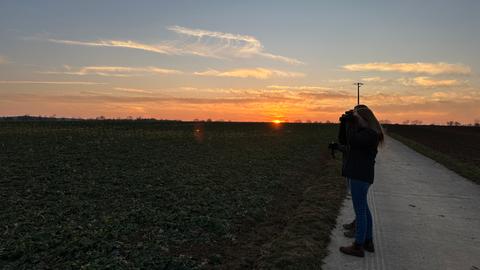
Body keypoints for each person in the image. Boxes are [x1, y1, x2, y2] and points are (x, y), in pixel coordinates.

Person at [332, 104, 384, 257]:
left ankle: (358, 246)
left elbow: (353, 141)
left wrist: (351, 123)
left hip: (359, 176)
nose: (355, 120)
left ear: (365, 119)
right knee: (364, 209)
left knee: (360, 211)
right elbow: (344, 140)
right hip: (359, 174)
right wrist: (344, 123)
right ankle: (368, 241)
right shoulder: (364, 131)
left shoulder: (370, 134)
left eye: (357, 117)